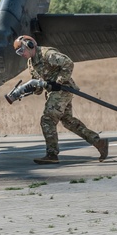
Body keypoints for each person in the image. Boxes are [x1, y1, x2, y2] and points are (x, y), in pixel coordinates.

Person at [13, 35, 109, 164]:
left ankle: (52, 155)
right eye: (18, 53)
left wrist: (58, 82)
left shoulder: (47, 54)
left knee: (47, 120)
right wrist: (27, 90)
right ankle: (99, 143)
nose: (22, 54)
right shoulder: (31, 63)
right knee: (68, 121)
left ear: (30, 45)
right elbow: (39, 86)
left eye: (22, 50)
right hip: (55, 92)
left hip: (63, 90)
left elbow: (68, 63)